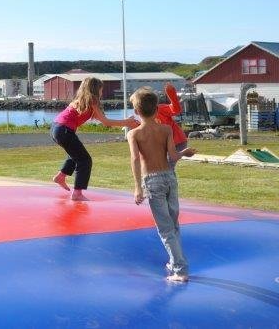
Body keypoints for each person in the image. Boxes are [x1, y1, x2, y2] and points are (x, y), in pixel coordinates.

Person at [127, 87, 189, 282]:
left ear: (136, 111)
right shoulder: (166, 129)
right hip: (170, 178)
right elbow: (173, 157)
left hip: (152, 181)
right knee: (173, 224)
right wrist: (185, 153)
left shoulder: (134, 134)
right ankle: (174, 261)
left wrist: (138, 187)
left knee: (165, 228)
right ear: (156, 109)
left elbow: (135, 160)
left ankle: (180, 269)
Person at [51, 76, 137, 200]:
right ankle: (77, 193)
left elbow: (104, 121)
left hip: (56, 128)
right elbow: (106, 122)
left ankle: (61, 176)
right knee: (85, 160)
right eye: (101, 89)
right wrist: (127, 122)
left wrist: (125, 122)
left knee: (75, 155)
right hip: (63, 130)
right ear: (96, 89)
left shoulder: (82, 100)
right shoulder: (92, 100)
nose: (102, 92)